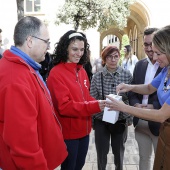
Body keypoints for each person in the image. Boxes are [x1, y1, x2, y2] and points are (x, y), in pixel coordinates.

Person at [0, 16, 68, 170]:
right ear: (30, 41)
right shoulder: (16, 79)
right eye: (46, 42)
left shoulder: (23, 67)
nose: (48, 47)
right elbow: (22, 145)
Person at [105, 25, 170, 170]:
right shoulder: (166, 69)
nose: (155, 57)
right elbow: (148, 88)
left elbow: (161, 115)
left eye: (158, 53)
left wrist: (123, 107)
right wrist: (129, 86)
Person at [47, 30, 106, 170]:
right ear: (65, 48)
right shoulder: (56, 73)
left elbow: (86, 98)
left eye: (81, 49)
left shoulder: (81, 70)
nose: (78, 53)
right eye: (74, 49)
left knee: (79, 166)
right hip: (69, 134)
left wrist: (102, 102)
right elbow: (64, 106)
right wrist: (95, 106)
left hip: (84, 132)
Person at [90, 45, 133, 170]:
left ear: (119, 57)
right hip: (101, 120)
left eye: (116, 56)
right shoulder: (97, 76)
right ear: (104, 58)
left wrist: (129, 119)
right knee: (101, 153)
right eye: (109, 56)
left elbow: (130, 98)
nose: (113, 60)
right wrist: (93, 121)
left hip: (120, 120)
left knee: (119, 152)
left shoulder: (126, 75)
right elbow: (92, 99)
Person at [128, 27, 162, 170]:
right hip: (141, 121)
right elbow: (133, 89)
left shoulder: (165, 66)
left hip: (160, 123)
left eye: (152, 44)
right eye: (146, 44)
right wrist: (135, 105)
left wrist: (152, 106)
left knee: (161, 161)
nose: (149, 48)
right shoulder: (139, 65)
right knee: (143, 158)